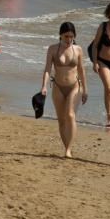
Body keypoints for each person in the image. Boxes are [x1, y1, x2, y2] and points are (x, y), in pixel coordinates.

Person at [39, 22, 88, 158]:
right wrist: (44, 86)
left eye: (71, 37)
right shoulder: (53, 49)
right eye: (66, 36)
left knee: (70, 115)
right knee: (61, 119)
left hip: (75, 86)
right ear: (60, 35)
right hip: (58, 87)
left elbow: (82, 71)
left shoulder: (78, 49)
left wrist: (85, 90)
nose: (69, 40)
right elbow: (48, 69)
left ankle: (68, 150)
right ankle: (67, 147)